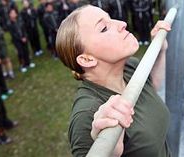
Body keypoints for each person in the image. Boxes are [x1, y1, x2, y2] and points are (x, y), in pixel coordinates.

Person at [56, 5, 171, 157]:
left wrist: (160, 49)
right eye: (104, 28)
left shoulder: (130, 66)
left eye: (110, 18)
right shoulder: (87, 117)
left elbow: (151, 86)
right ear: (86, 59)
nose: (122, 23)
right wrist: (110, 151)